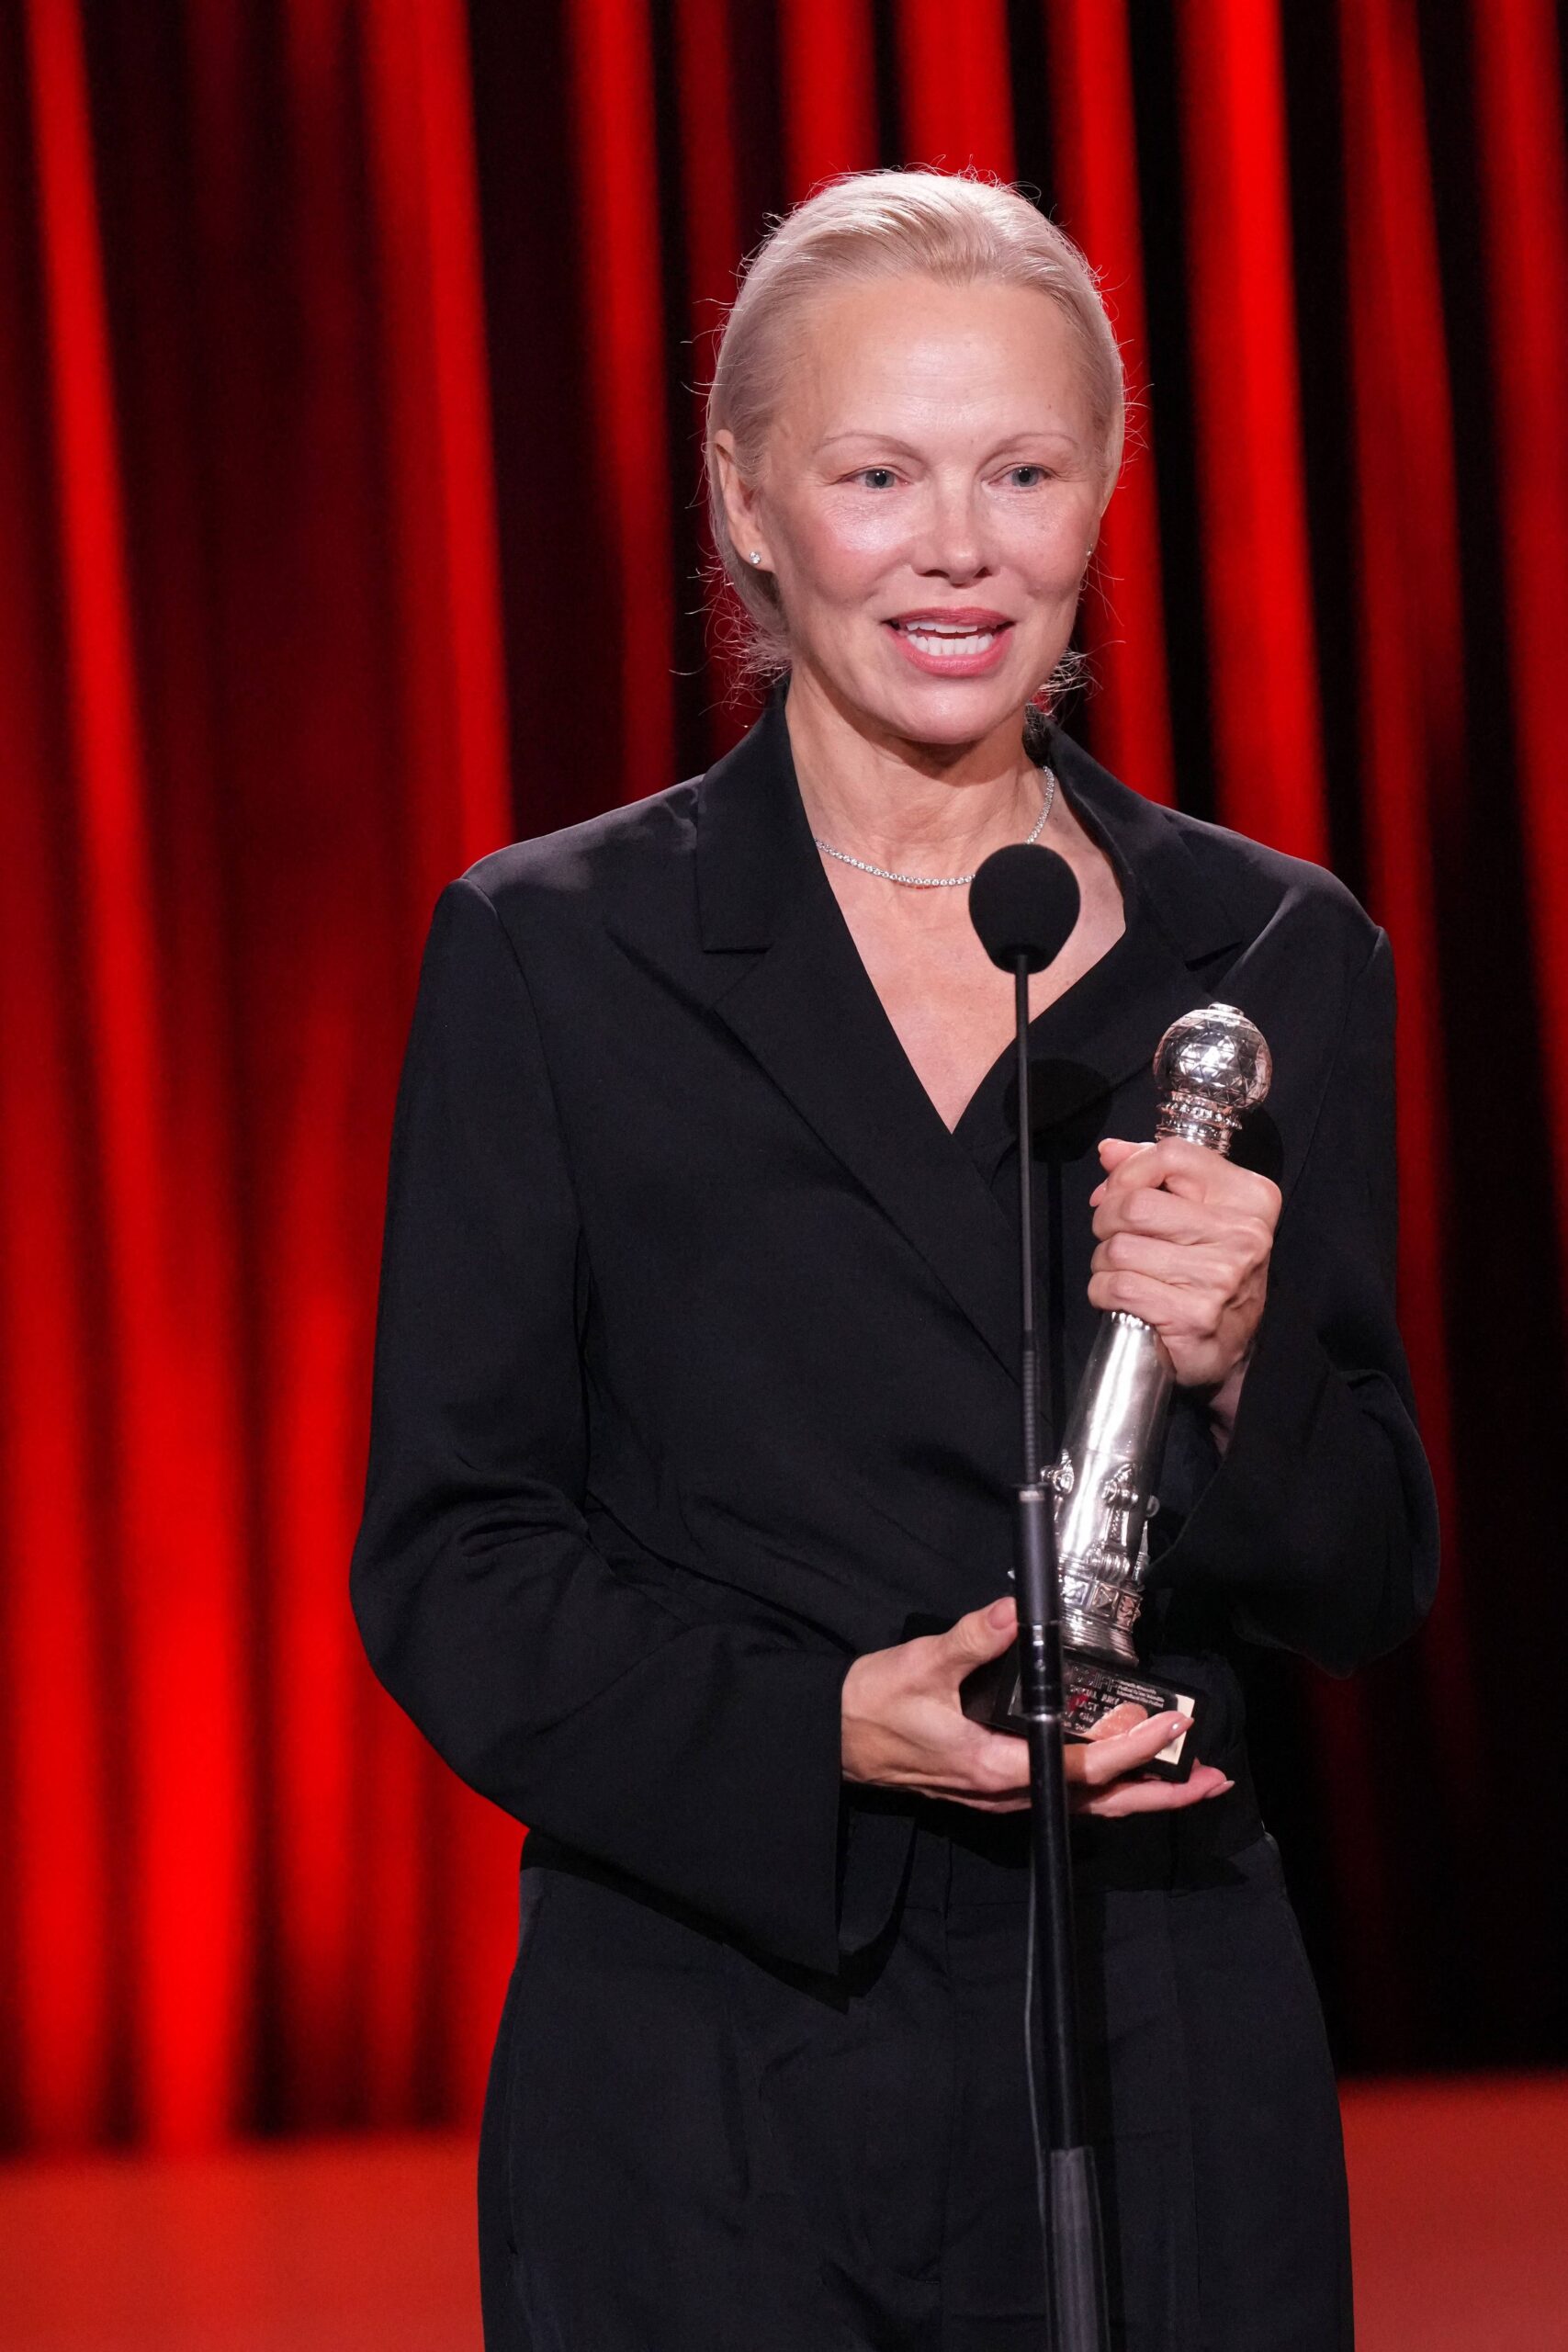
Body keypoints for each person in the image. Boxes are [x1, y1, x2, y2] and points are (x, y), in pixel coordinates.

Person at [351, 170, 1438, 2350]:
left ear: (1101, 493)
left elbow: (1366, 1570)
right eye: (876, 474)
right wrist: (829, 1726)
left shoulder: (1270, 950)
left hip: (1156, 2036)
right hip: (709, 2054)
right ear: (746, 504)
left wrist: (1240, 1362)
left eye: (1020, 471)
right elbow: (455, 1560)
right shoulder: (554, 954)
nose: (957, 548)